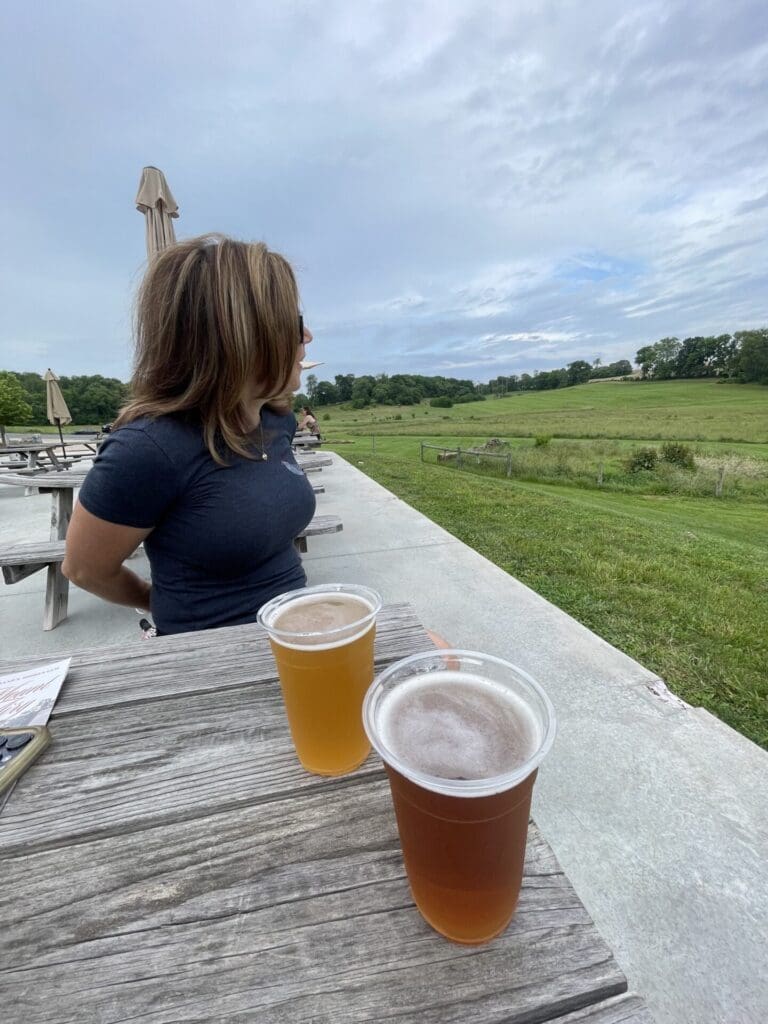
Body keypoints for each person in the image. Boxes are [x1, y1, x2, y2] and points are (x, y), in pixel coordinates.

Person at [63, 234, 316, 635]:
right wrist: (155, 600)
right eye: (296, 324)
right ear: (243, 336)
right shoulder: (149, 449)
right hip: (210, 657)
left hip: (296, 630)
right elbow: (84, 569)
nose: (307, 337)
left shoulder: (276, 420)